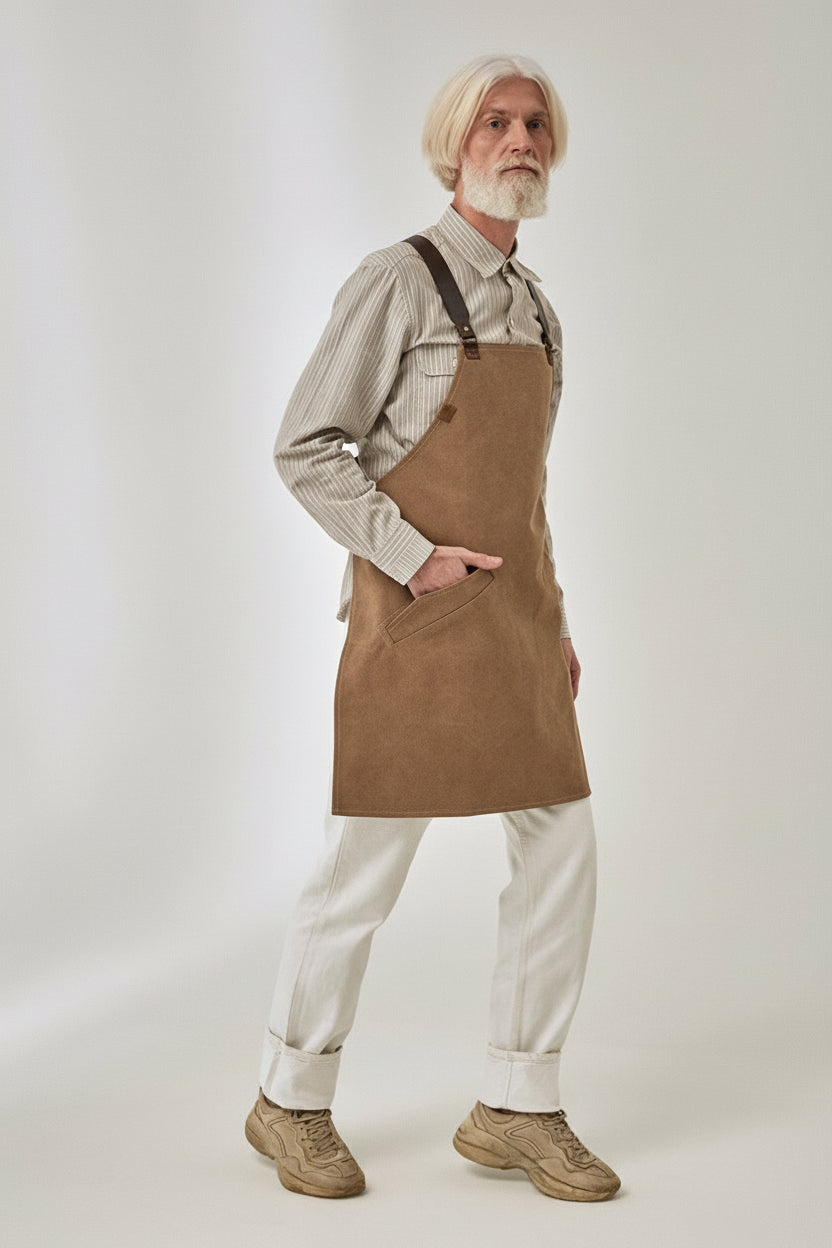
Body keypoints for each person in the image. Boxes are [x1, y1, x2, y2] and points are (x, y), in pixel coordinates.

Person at [245, 52, 621, 1202]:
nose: (518, 142)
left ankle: (517, 1101)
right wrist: (413, 559)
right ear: (453, 144)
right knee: (363, 868)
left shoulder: (539, 308)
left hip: (514, 624)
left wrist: (549, 618)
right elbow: (306, 445)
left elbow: (523, 491)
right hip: (410, 620)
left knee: (561, 845)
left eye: (534, 126)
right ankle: (287, 1100)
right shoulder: (398, 280)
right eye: (495, 124)